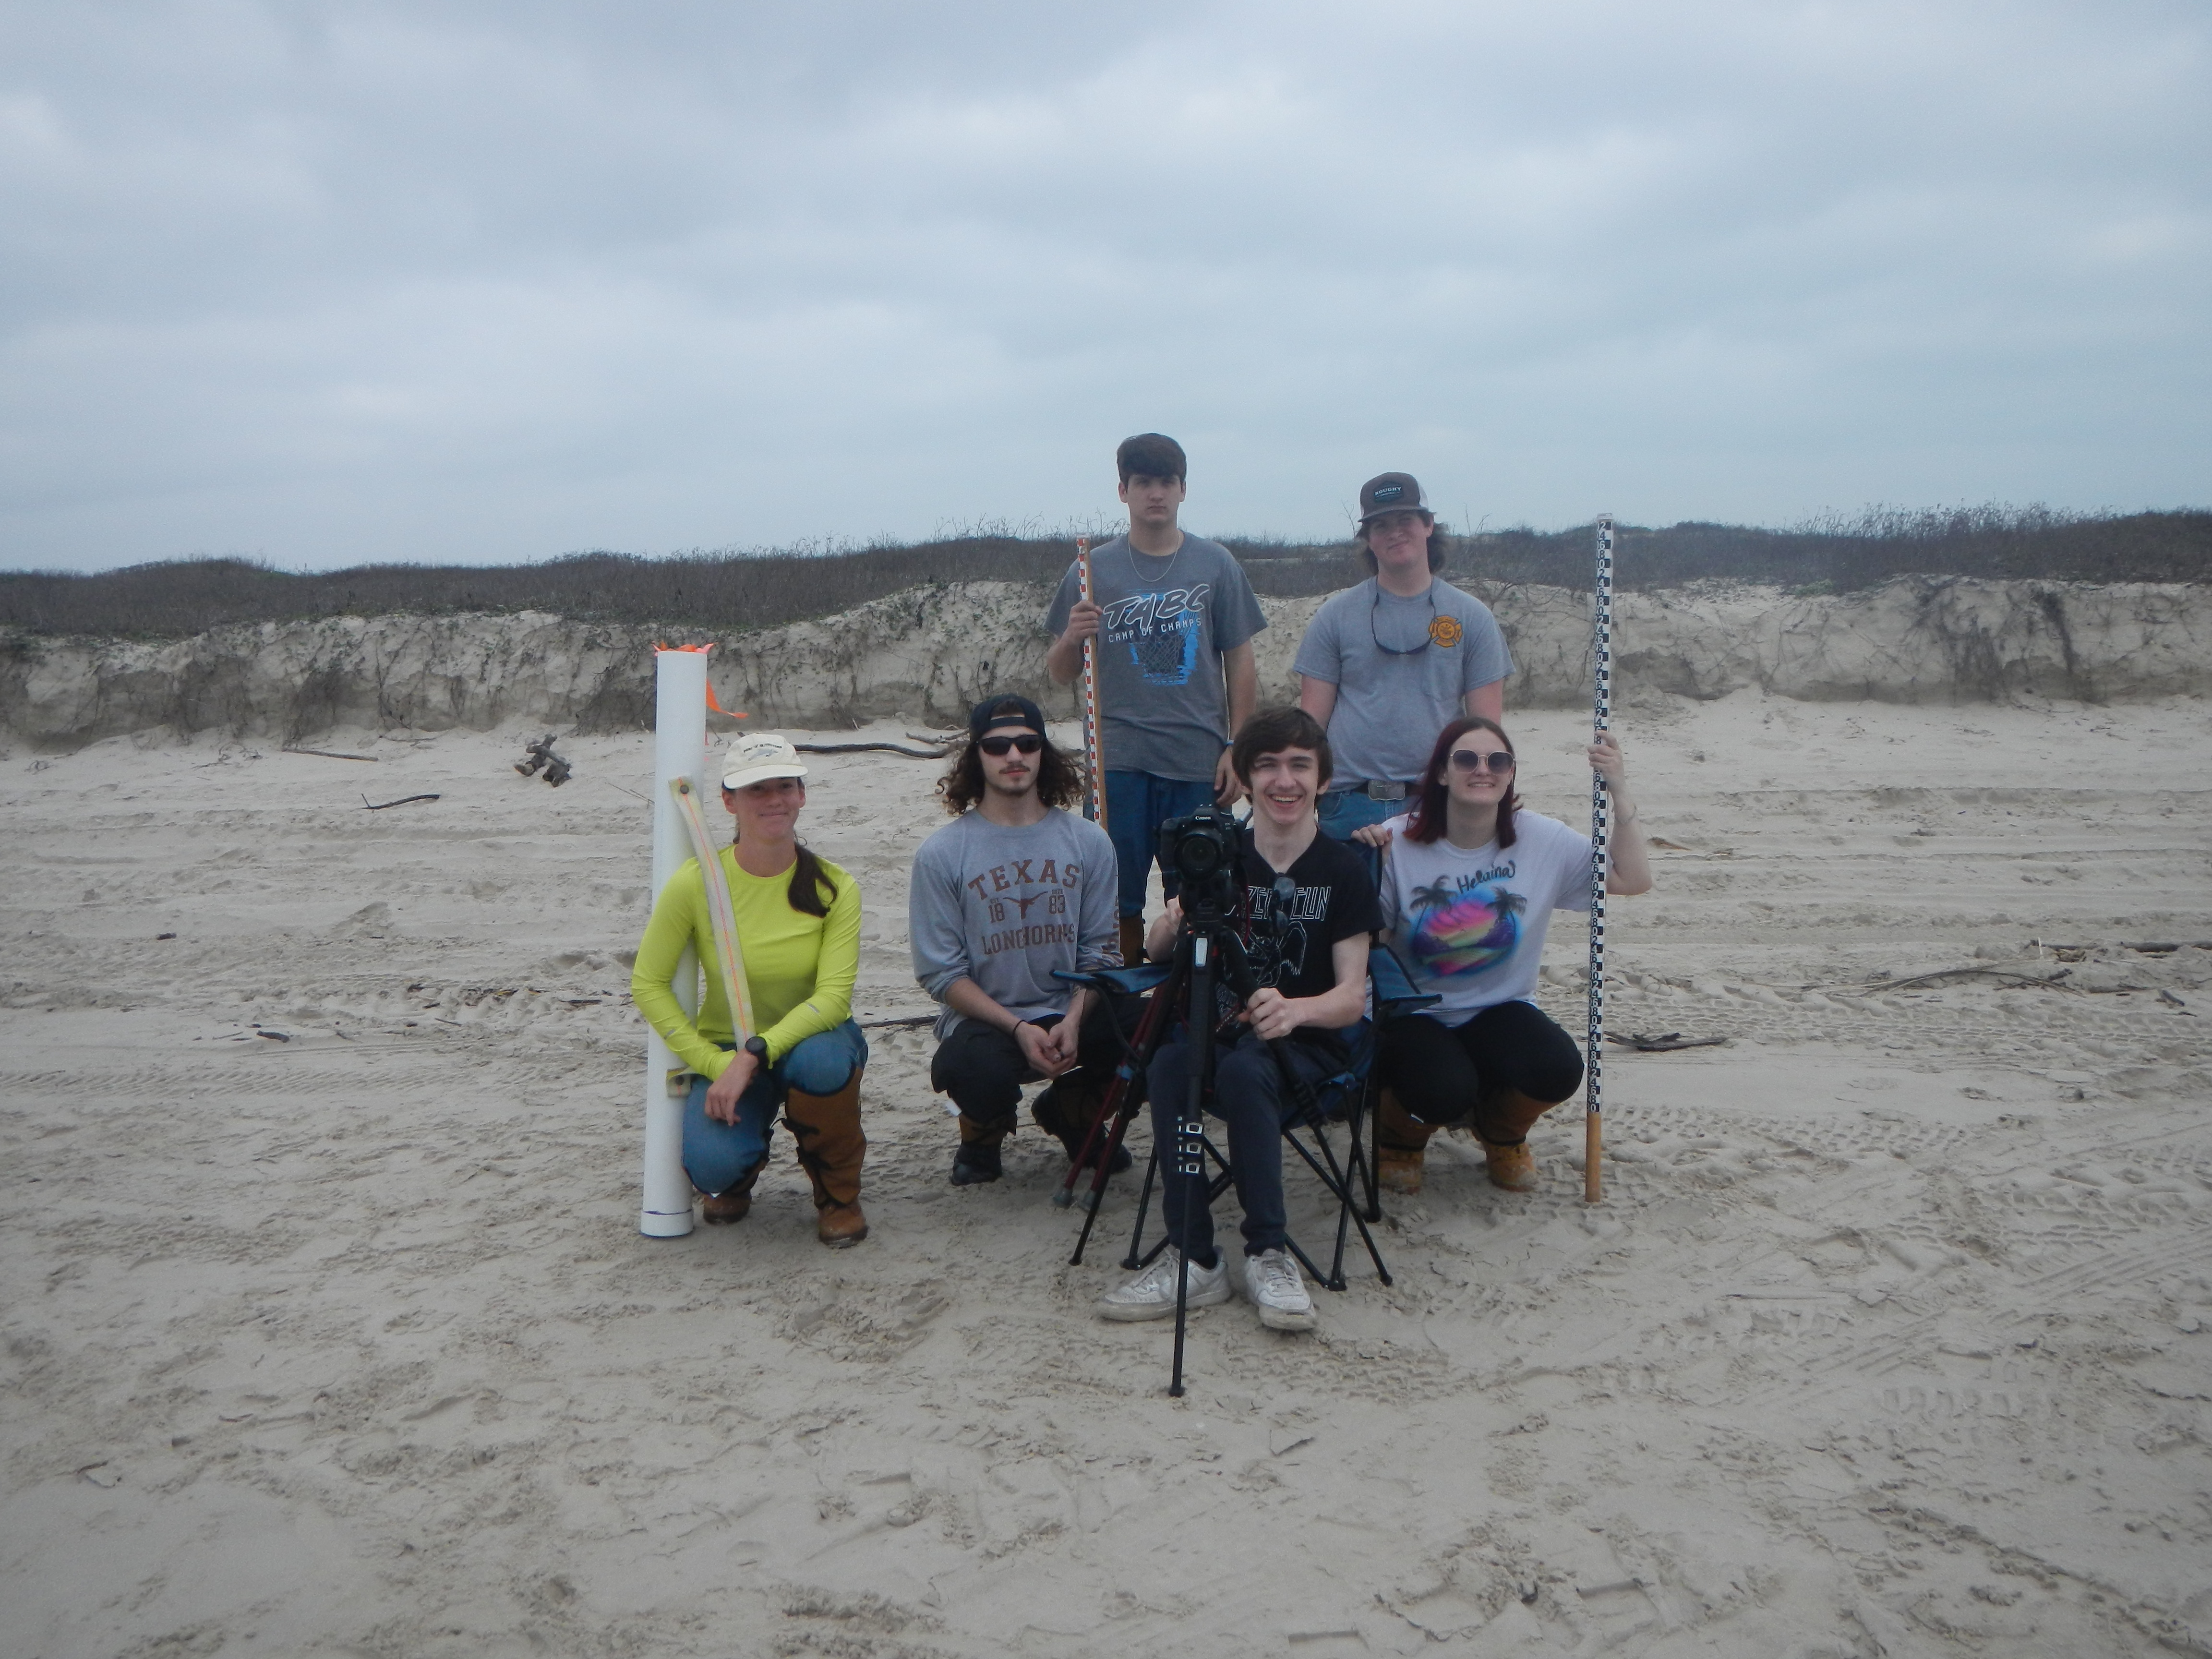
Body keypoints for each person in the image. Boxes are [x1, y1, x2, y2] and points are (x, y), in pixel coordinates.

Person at [1096, 707, 1380, 1334]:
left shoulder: (1343, 872)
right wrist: (1171, 919)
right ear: (1247, 780)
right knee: (1169, 1063)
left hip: (1308, 1050)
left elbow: (1351, 999)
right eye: (1268, 766)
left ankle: (1268, 1251)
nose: (1285, 781)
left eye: (1300, 766)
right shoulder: (1218, 856)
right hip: (1216, 1035)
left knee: (1250, 1068)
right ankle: (1193, 1255)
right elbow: (1161, 953)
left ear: (1324, 781)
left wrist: (1294, 1009)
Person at [1358, 716, 1651, 1194]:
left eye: (1497, 761)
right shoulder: (1397, 841)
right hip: (1413, 1011)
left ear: (1511, 773)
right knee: (1443, 1088)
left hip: (1500, 1007)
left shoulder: (1543, 840)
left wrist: (1619, 790)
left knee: (1558, 1068)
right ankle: (1399, 1138)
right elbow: (1373, 941)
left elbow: (1632, 879)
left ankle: (1501, 1132)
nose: (1483, 770)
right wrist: (1370, 869)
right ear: (1441, 773)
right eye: (1466, 759)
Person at [630, 732, 870, 1247]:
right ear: (728, 802)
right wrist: (715, 1063)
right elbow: (648, 983)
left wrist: (755, 1054)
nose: (773, 800)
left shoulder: (835, 887)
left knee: (824, 1064)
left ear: (802, 795)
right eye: (757, 789)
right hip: (726, 1048)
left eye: (784, 786)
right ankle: (739, 1174)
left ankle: (837, 1195)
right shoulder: (695, 883)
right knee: (713, 1167)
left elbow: (832, 1001)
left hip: (812, 1042)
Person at [1046, 433, 1267, 967]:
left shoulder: (1215, 565)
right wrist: (1073, 636)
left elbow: (1240, 663)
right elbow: (1060, 673)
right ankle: (1119, 997)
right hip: (1117, 763)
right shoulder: (1090, 571)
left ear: (1183, 489)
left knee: (1199, 896)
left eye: (1167, 482)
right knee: (1111, 899)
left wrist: (1238, 747)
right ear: (1123, 490)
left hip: (1197, 761)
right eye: (1143, 482)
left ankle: (1187, 998)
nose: (1156, 494)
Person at [910, 695, 1140, 1185]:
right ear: (976, 756)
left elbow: (1101, 953)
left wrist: (1074, 1020)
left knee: (1155, 1029)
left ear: (1043, 752)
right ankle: (982, 1134)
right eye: (997, 746)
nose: (1014, 756)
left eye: (1027, 743)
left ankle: (1074, 1112)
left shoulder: (1090, 842)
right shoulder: (942, 853)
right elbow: (942, 974)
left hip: (1072, 1007)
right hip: (989, 1021)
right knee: (970, 1067)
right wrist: (1017, 1028)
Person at [1295, 472, 1513, 861]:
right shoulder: (1334, 617)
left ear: (1429, 525)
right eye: (1380, 525)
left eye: (1405, 520)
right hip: (1348, 806)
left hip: (1437, 803)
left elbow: (1486, 735)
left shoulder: (1473, 618)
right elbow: (1311, 727)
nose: (1395, 533)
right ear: (1368, 539)